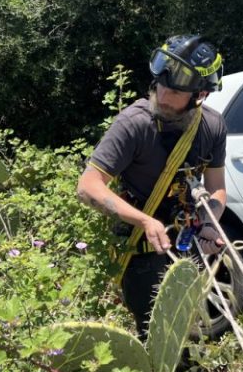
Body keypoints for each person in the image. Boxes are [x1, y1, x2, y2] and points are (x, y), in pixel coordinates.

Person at [77, 34, 227, 338]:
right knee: (156, 338)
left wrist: (210, 222)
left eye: (174, 91)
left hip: (188, 242)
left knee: (189, 328)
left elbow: (217, 188)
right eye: (161, 84)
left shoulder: (212, 127)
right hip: (141, 252)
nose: (162, 94)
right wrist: (143, 220)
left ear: (199, 95)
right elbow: (88, 186)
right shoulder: (134, 124)